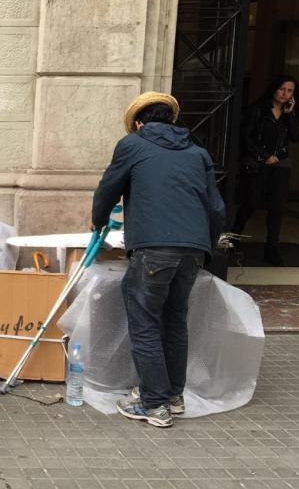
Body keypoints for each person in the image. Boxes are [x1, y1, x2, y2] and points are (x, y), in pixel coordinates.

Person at [91, 92, 225, 428]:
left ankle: (153, 403)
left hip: (154, 248)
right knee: (175, 320)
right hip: (193, 249)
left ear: (138, 123)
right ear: (172, 121)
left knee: (146, 321)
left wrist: (99, 218)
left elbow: (109, 187)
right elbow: (217, 208)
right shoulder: (198, 153)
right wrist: (205, 247)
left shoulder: (132, 145)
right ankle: (174, 396)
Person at [231, 75, 299, 266]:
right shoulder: (258, 110)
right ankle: (233, 239)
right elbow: (245, 136)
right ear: (274, 89)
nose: (285, 93)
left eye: (289, 91)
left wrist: (290, 114)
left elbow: (296, 137)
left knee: (277, 207)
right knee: (252, 203)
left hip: (281, 163)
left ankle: (271, 248)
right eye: (282, 89)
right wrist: (264, 155)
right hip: (257, 162)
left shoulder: (291, 112)